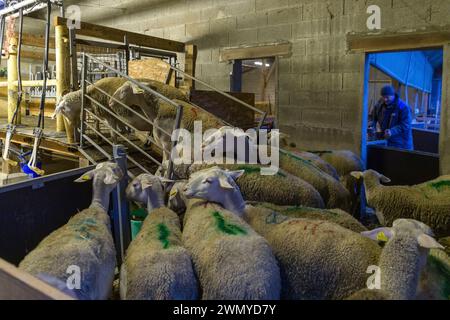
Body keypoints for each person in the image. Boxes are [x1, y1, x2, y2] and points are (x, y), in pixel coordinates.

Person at [370, 85, 413, 150]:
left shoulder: (403, 107)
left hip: (401, 144)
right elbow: (373, 117)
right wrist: (371, 125)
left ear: (393, 95)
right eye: (383, 97)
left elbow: (405, 125)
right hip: (386, 141)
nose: (385, 99)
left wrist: (392, 131)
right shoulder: (379, 104)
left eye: (387, 97)